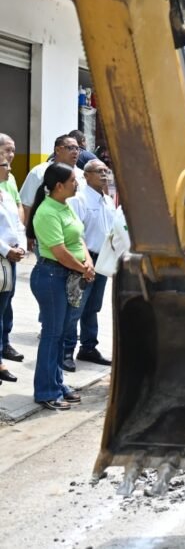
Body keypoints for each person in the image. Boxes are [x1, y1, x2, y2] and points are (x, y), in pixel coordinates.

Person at [27, 163, 93, 410]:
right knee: (52, 335)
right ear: (59, 186)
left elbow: (78, 238)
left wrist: (88, 261)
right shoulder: (47, 212)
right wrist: (83, 268)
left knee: (61, 334)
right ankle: (46, 391)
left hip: (68, 275)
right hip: (51, 276)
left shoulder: (65, 206)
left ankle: (57, 383)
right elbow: (60, 252)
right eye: (73, 180)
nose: (77, 184)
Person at [64, 159, 114, 369]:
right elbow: (75, 233)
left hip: (102, 260)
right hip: (84, 260)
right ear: (86, 175)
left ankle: (88, 347)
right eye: (99, 171)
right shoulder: (79, 199)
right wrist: (84, 261)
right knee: (76, 306)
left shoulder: (108, 200)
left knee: (93, 307)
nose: (104, 175)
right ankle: (66, 350)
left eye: (106, 171)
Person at [0, 153, 25, 384]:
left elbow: (18, 225)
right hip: (4, 256)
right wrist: (7, 250)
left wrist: (21, 247)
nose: (9, 169)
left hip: (9, 261)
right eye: (4, 165)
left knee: (3, 309)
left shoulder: (6, 194)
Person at [20, 135, 85, 208]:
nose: (75, 152)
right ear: (57, 150)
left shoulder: (82, 175)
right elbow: (26, 204)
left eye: (77, 149)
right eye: (71, 148)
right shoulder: (39, 172)